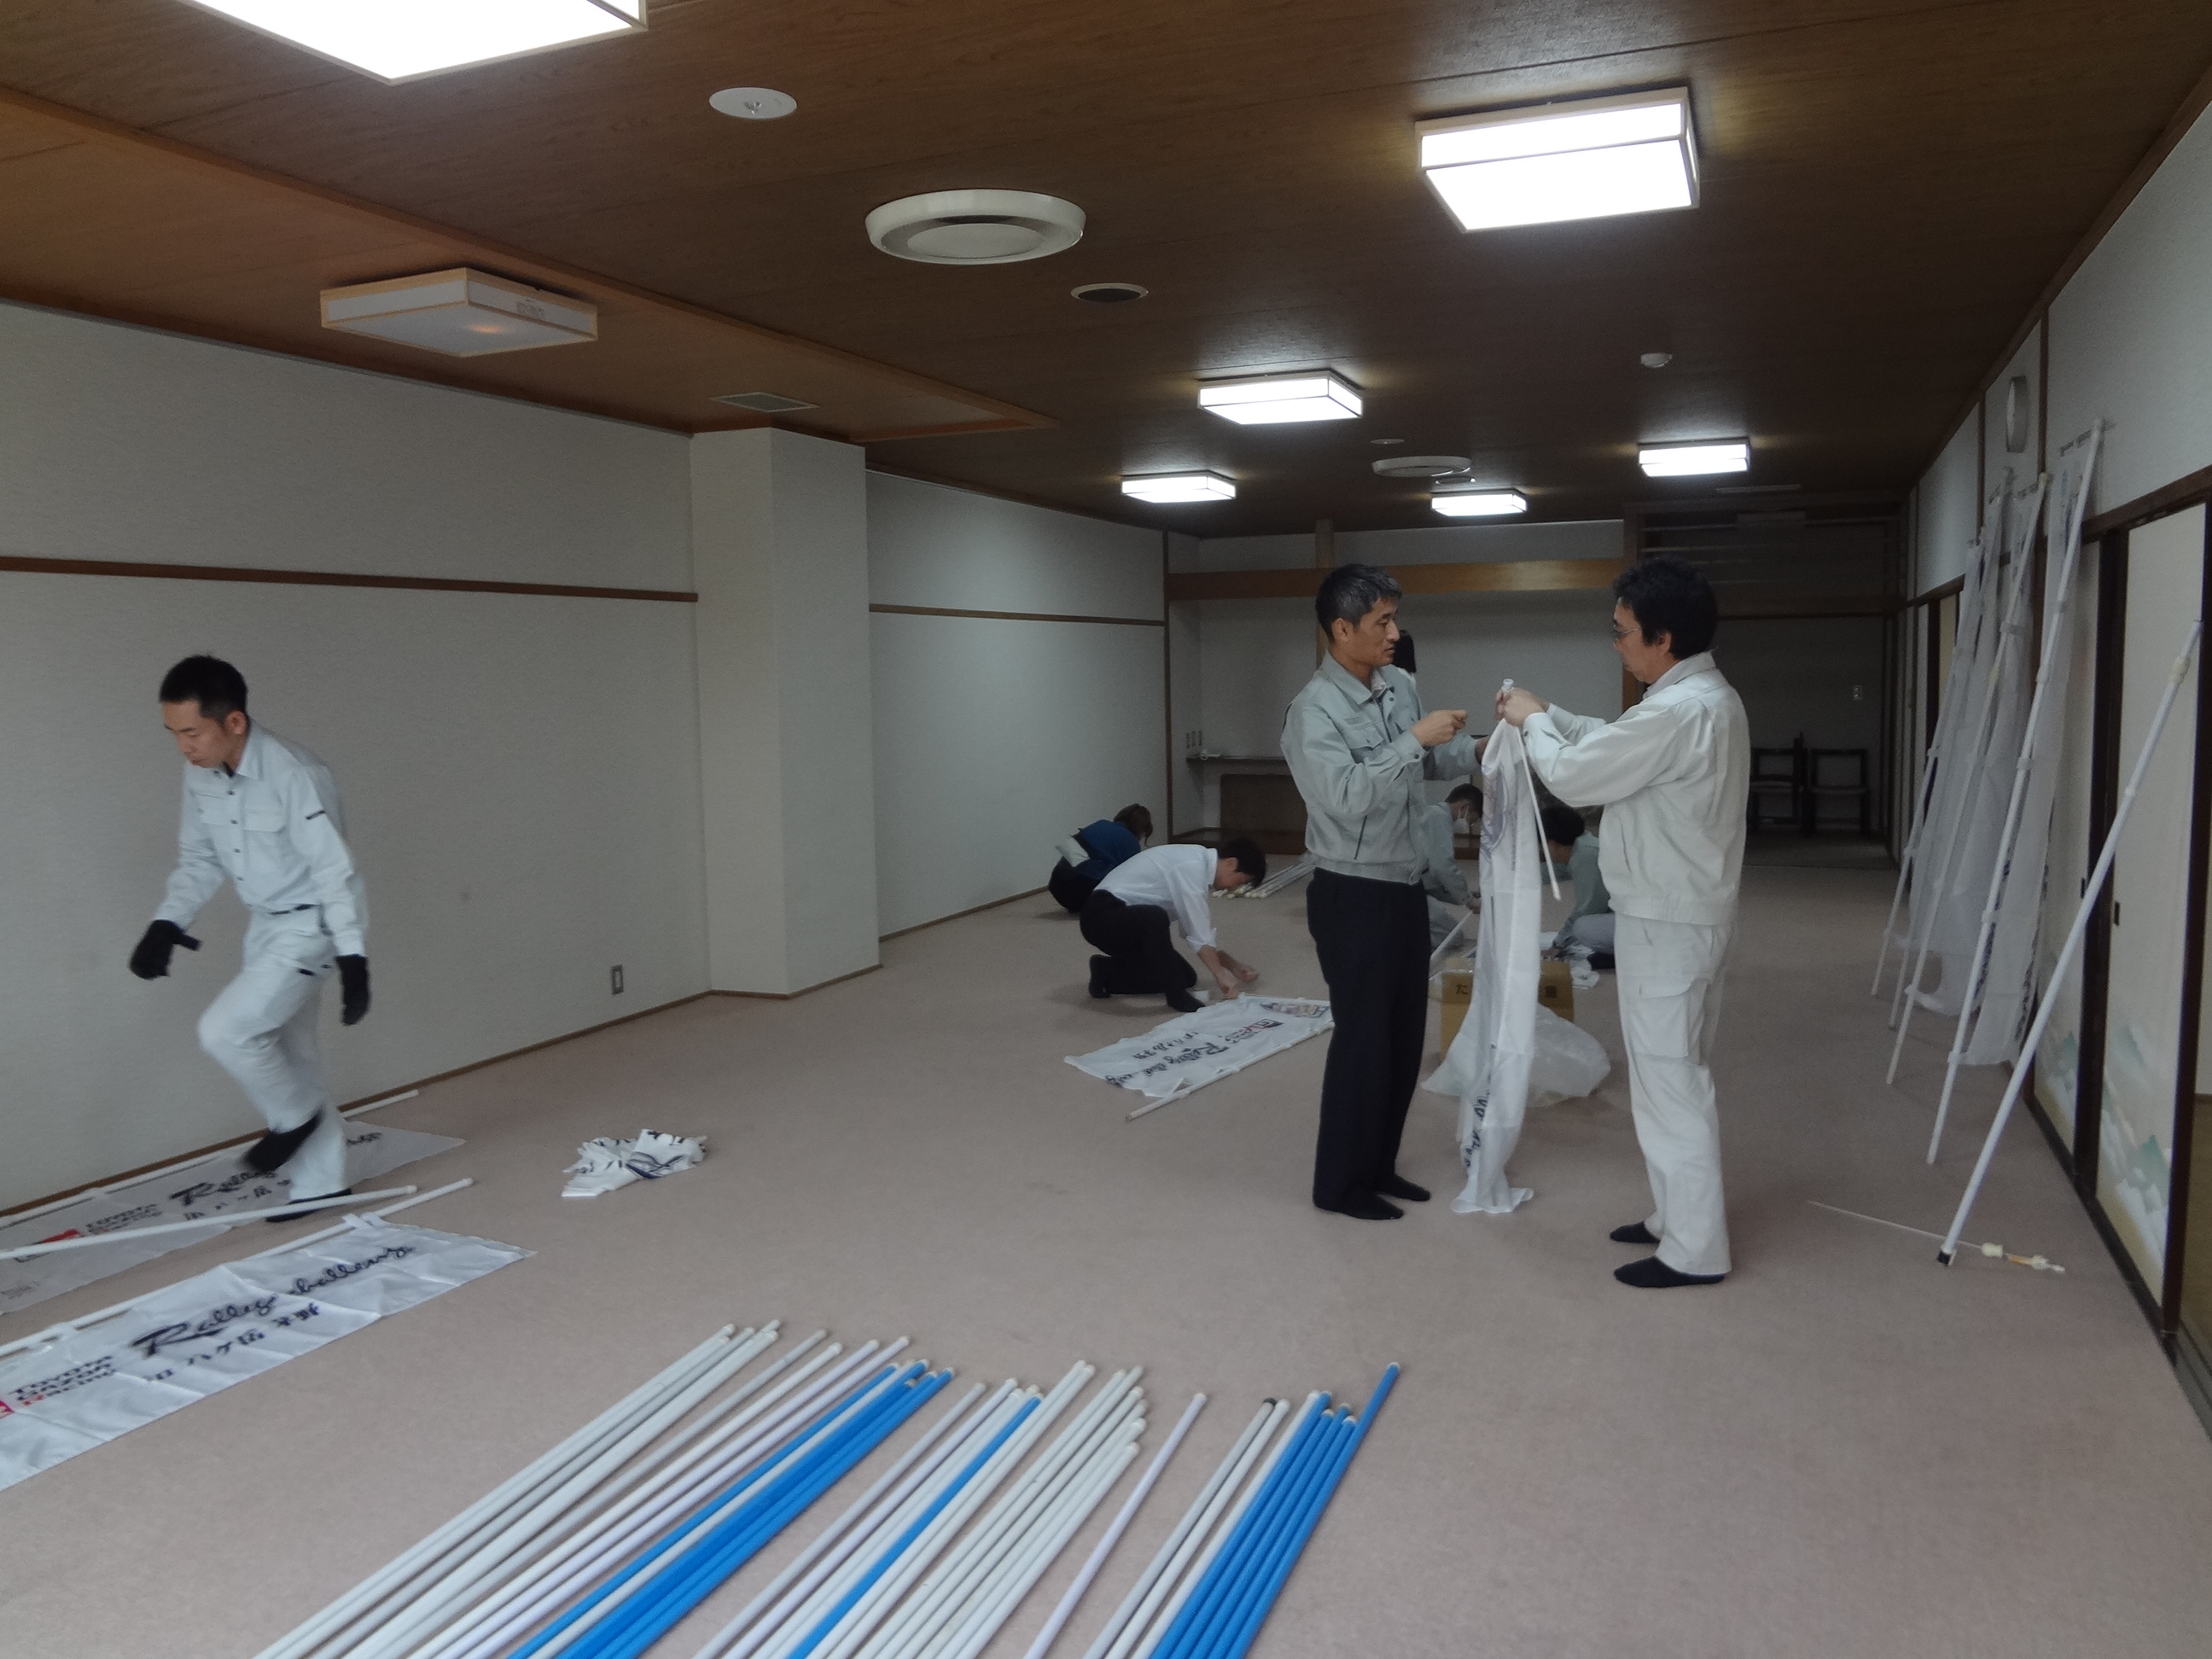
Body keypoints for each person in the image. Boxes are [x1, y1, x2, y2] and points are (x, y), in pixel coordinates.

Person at [1496, 556, 1748, 1288]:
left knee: (1672, 1083)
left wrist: (1533, 721)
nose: (1616, 644)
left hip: (1669, 921)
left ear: (1662, 639)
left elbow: (1576, 775)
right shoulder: (1698, 697)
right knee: (1670, 1074)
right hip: (1681, 914)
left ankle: (1695, 1250)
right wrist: (1551, 715)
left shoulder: (1679, 711)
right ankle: (1675, 1218)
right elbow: (1614, 743)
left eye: (1623, 632)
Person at [129, 655, 371, 1207]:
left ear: (234, 722)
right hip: (264, 925)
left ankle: (296, 1117)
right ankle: (322, 1186)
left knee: (226, 1032)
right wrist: (167, 924)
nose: (183, 747)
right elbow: (200, 858)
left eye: (192, 732)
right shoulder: (201, 773)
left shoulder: (296, 774)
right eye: (174, 734)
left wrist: (353, 956)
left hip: (311, 926)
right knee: (293, 1052)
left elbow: (335, 870)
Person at [1284, 564, 1478, 1220]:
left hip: (1403, 887)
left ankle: (1378, 1166)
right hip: (1352, 893)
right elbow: (1343, 798)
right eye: (1383, 622)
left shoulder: (1398, 685)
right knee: (1362, 1043)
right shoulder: (1313, 710)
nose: (1396, 633)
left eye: (1395, 619)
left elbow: (1428, 762)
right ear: (1342, 630)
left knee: (1400, 1039)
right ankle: (1338, 1186)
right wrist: (1412, 741)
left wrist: (1481, 748)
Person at [1082, 837, 1264, 1012]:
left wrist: (1230, 965)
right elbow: (1199, 935)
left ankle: (1105, 972)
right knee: (1155, 918)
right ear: (1231, 863)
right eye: (1240, 881)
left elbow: (1194, 930)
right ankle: (1176, 997)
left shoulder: (1197, 866)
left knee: (1186, 977)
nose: (1233, 888)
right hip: (1101, 917)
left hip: (1128, 928)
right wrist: (1221, 976)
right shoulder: (1192, 866)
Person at [1049, 804, 1153, 914]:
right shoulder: (1131, 843)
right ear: (1143, 828)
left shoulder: (1101, 823)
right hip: (1083, 892)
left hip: (1056, 883)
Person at [1541, 803, 1615, 959]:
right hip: (1629, 916)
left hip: (1639, 921)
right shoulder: (1580, 848)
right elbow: (1543, 873)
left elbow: (1590, 908)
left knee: (1583, 927)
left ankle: (1618, 953)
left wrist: (1559, 944)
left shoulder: (1586, 856)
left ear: (1552, 844)